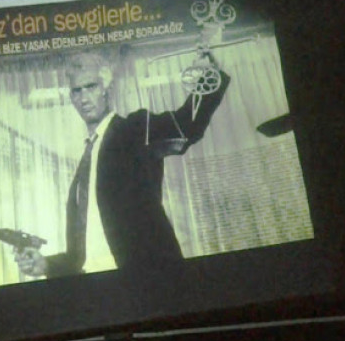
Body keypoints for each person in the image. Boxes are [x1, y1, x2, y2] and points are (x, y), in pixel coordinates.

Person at [15, 47, 230, 279]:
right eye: (77, 91)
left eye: (91, 86)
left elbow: (187, 126)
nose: (84, 97)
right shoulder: (83, 168)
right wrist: (45, 265)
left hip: (147, 281)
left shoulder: (133, 130)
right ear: (72, 98)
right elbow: (79, 257)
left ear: (106, 88)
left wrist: (213, 68)